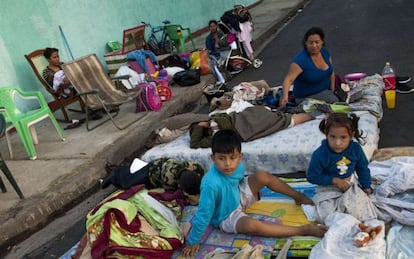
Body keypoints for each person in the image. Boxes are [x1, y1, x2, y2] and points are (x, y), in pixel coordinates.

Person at [181, 129, 328, 257]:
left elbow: (238, 181)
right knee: (252, 226)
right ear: (213, 158)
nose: (227, 164)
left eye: (232, 158)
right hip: (225, 216)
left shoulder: (237, 167)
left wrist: (245, 192)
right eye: (221, 158)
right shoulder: (210, 184)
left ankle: (299, 197)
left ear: (240, 156)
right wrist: (193, 241)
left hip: (237, 194)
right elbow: (203, 214)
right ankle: (303, 230)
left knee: (262, 176)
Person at [307, 112, 372, 194]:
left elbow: (362, 168)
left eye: (343, 137)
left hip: (350, 183)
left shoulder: (355, 149)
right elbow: (312, 177)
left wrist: (366, 186)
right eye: (333, 137)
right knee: (327, 206)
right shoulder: (320, 154)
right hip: (327, 186)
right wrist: (335, 181)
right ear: (326, 135)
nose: (337, 143)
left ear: (351, 135)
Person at [189, 105, 313, 148]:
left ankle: (310, 112)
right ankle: (314, 114)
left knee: (277, 116)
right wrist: (200, 127)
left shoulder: (214, 119)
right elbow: (194, 144)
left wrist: (208, 123)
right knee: (284, 120)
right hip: (245, 128)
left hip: (243, 118)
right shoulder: (213, 138)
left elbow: (229, 116)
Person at [100, 158, 205, 205]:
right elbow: (171, 193)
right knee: (127, 184)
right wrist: (188, 200)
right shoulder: (170, 180)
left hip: (162, 163)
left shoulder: (195, 167)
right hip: (150, 173)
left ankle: (124, 169)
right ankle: (113, 174)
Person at [280, 27, 339, 108]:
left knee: (341, 95)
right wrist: (285, 97)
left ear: (322, 42)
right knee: (334, 102)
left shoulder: (325, 52)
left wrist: (333, 89)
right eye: (311, 43)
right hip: (306, 97)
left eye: (317, 42)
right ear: (306, 43)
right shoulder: (300, 61)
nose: (314, 45)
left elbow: (331, 72)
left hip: (325, 91)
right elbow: (288, 80)